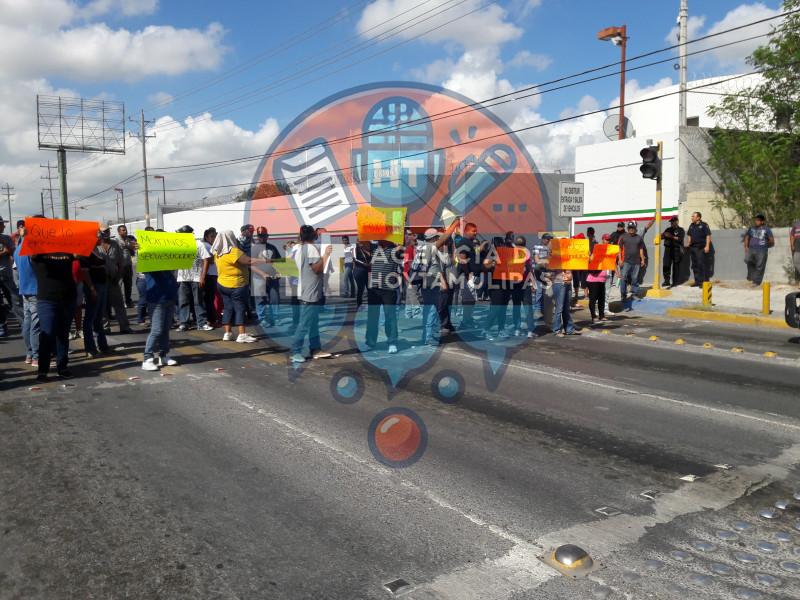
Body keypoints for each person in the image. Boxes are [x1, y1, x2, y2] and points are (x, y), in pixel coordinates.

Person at [210, 230, 270, 343]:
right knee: (240, 308)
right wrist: (267, 260)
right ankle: (242, 334)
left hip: (222, 284)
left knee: (228, 308)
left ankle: (227, 333)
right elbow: (249, 261)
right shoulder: (233, 252)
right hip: (236, 284)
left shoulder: (217, 252)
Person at [31, 251, 77, 381]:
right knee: (47, 334)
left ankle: (62, 366)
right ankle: (43, 370)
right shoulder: (37, 254)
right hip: (47, 300)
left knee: (63, 334)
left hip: (68, 298)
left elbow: (85, 255)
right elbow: (30, 252)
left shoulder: (68, 252)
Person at [290, 225, 333, 363]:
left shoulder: (299, 248)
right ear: (314, 236)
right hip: (310, 292)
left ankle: (315, 348)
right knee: (305, 324)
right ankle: (296, 351)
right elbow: (317, 268)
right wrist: (326, 255)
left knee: (313, 323)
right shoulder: (311, 248)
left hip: (305, 289)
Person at [413, 221, 459, 345]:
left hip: (425, 282)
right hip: (431, 283)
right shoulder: (430, 247)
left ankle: (426, 336)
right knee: (433, 311)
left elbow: (435, 267)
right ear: (433, 238)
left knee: (429, 310)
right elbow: (445, 237)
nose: (439, 239)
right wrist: (453, 225)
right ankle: (429, 338)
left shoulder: (421, 248)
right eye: (437, 237)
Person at [366, 240, 402, 353]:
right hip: (374, 289)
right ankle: (370, 342)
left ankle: (392, 342)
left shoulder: (394, 251)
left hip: (388, 289)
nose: (378, 240)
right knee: (372, 317)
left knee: (390, 317)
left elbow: (401, 247)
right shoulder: (375, 250)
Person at [176, 225, 213, 331]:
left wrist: (202, 277)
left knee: (198, 301)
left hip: (196, 278)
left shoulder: (198, 244)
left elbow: (206, 259)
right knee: (183, 301)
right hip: (183, 278)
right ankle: (184, 323)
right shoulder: (178, 245)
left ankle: (201, 323)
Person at [141, 268, 179, 372]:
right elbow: (144, 269)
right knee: (156, 330)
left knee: (165, 329)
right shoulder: (151, 261)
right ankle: (147, 358)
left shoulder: (168, 260)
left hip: (169, 297)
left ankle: (163, 355)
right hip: (156, 299)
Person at [13, 219, 40, 367]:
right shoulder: (30, 247)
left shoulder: (18, 248)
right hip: (35, 289)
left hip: (25, 290)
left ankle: (30, 354)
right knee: (35, 325)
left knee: (28, 324)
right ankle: (36, 356)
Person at [80, 236, 111, 357]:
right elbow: (85, 272)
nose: (100, 237)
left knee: (99, 317)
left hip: (102, 285)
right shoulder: (84, 252)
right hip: (94, 287)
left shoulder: (97, 250)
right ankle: (90, 348)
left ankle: (102, 345)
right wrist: (92, 288)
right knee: (90, 318)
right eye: (97, 235)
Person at [97, 228, 132, 334]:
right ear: (98, 233)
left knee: (119, 303)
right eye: (103, 231)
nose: (106, 233)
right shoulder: (94, 245)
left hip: (113, 279)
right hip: (99, 280)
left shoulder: (115, 244)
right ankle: (105, 328)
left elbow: (121, 262)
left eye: (107, 231)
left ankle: (124, 327)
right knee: (101, 305)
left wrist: (118, 277)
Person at [453, 222, 481, 330]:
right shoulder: (464, 242)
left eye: (476, 230)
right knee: (468, 298)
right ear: (466, 231)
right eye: (473, 231)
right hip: (467, 276)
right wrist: (468, 274)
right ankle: (465, 321)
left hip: (471, 276)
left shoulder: (470, 242)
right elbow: (462, 258)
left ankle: (468, 319)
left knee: (471, 299)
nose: (475, 233)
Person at [253, 226, 282, 328]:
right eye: (260, 236)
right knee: (260, 299)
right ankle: (262, 318)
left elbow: (279, 261)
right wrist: (262, 274)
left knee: (274, 299)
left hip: (272, 278)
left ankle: (276, 317)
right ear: (257, 236)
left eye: (264, 236)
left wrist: (279, 272)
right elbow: (250, 265)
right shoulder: (254, 248)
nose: (262, 238)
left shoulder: (272, 248)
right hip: (258, 278)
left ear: (267, 236)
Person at [0, 218, 23, 337]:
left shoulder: (6, 238)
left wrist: (7, 250)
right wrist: (4, 252)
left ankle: (24, 323)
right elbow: (7, 251)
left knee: (14, 300)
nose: (3, 226)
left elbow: (13, 252)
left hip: (7, 275)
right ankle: (2, 326)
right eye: (2, 224)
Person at [744, 214, 774, 286]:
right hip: (751, 249)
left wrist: (765, 245)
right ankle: (751, 276)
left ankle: (756, 282)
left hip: (762, 250)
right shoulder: (751, 228)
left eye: (758, 220)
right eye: (756, 220)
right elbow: (747, 237)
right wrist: (746, 246)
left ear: (762, 222)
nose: (756, 221)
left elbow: (772, 241)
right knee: (747, 260)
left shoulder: (767, 229)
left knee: (760, 266)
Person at [618, 221, 645, 301]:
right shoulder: (623, 237)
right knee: (623, 278)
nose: (631, 229)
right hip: (626, 261)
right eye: (629, 228)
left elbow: (641, 249)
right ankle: (623, 295)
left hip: (636, 262)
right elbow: (619, 249)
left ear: (635, 229)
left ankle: (634, 294)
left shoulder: (639, 238)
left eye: (632, 228)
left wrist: (642, 260)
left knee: (634, 278)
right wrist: (620, 259)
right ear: (628, 228)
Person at [685, 212, 712, 286]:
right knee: (694, 265)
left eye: (693, 216)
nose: (692, 217)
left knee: (700, 264)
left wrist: (707, 246)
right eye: (692, 216)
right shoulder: (691, 225)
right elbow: (689, 235)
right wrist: (689, 243)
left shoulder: (704, 225)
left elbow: (708, 235)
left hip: (701, 248)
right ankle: (697, 281)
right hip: (693, 248)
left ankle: (702, 282)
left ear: (698, 218)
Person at [551, 268, 579, 337]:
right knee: (559, 308)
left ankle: (569, 329)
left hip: (568, 283)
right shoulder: (555, 257)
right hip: (559, 283)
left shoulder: (568, 258)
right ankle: (557, 330)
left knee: (566, 308)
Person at [200, 228, 219, 327]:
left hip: (213, 275)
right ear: (206, 237)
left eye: (215, 236)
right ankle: (210, 319)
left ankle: (211, 319)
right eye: (212, 236)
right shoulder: (206, 246)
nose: (214, 238)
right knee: (208, 299)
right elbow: (209, 260)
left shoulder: (212, 246)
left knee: (210, 299)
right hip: (208, 275)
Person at [661, 216, 685, 288]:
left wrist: (671, 236)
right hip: (668, 249)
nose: (671, 223)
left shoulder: (680, 230)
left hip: (676, 250)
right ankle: (666, 281)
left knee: (675, 266)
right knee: (666, 265)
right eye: (671, 222)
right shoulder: (668, 229)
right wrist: (662, 235)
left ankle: (675, 282)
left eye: (673, 221)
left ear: (677, 222)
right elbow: (662, 237)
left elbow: (680, 239)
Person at [116, 225, 136, 307]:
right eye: (123, 230)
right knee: (119, 285)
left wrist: (131, 247)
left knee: (128, 285)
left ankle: (128, 301)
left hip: (128, 265)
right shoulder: (116, 241)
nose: (125, 231)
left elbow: (133, 253)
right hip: (120, 266)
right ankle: (119, 301)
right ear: (119, 232)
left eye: (125, 230)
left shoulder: (129, 239)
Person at [352, 240, 371, 308]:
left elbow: (370, 257)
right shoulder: (355, 249)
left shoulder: (366, 249)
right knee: (361, 288)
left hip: (366, 270)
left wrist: (366, 251)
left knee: (369, 288)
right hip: (359, 270)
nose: (361, 243)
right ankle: (359, 303)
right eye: (359, 242)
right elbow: (355, 259)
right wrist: (364, 264)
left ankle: (370, 303)